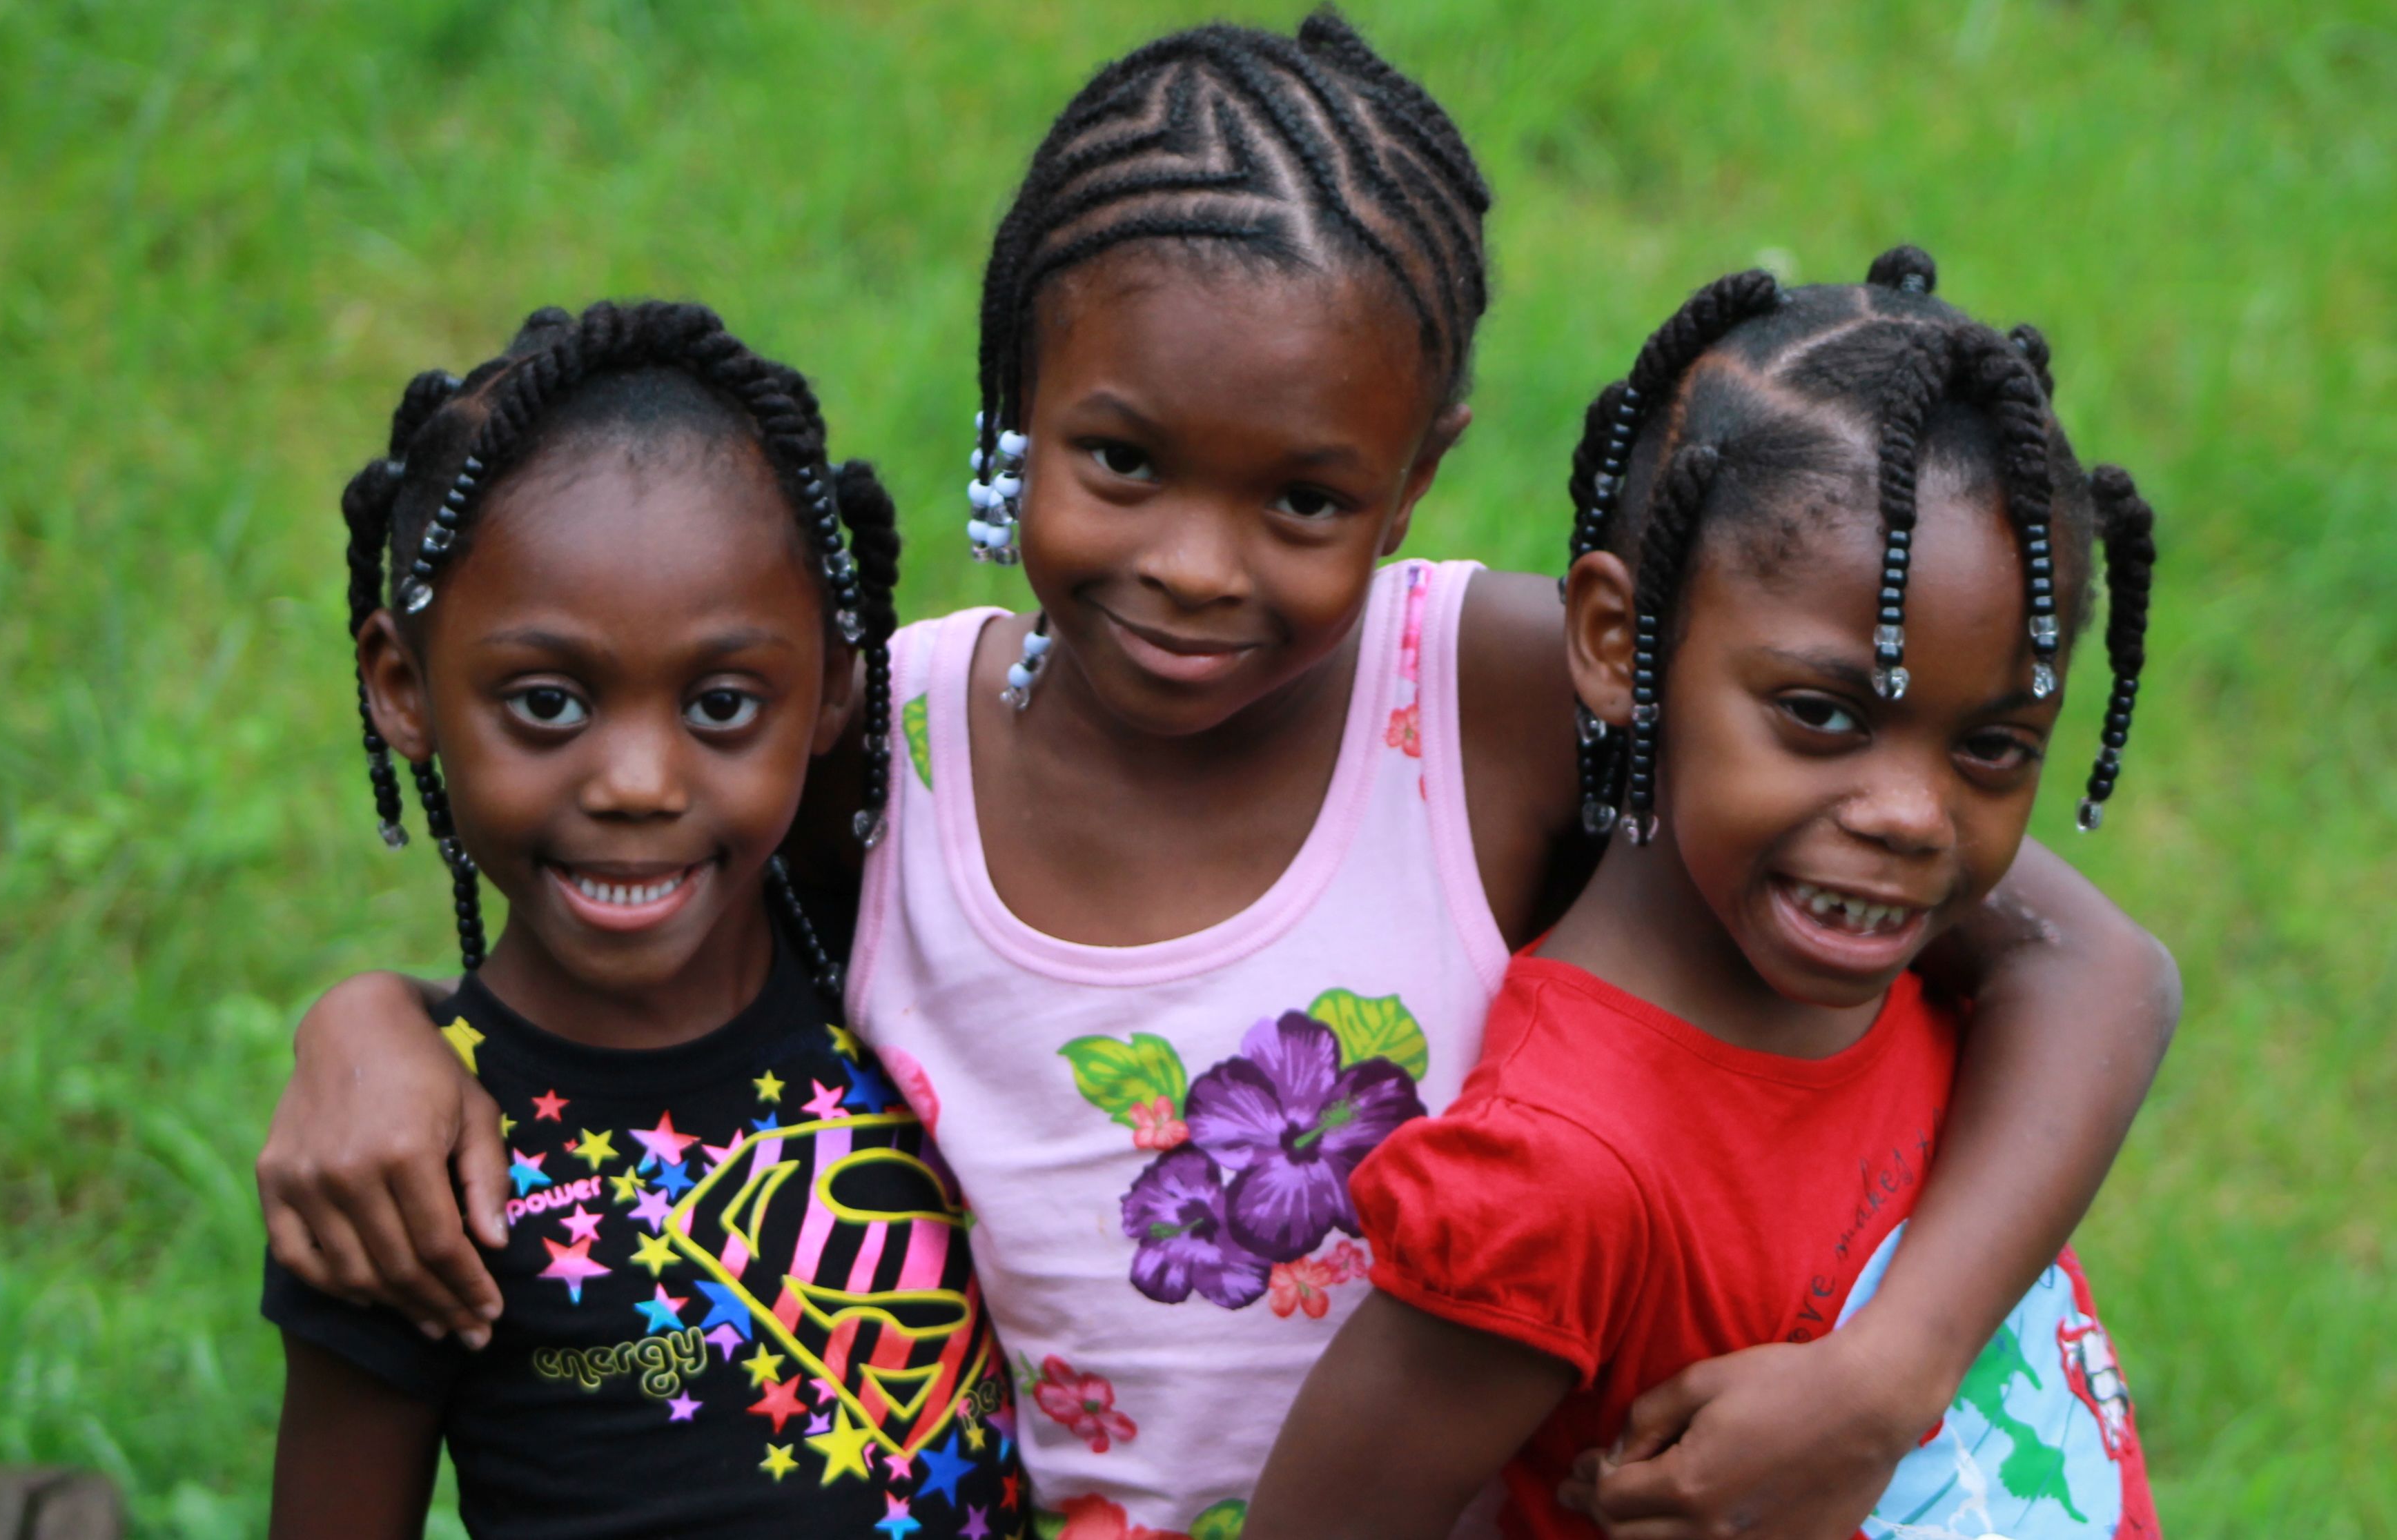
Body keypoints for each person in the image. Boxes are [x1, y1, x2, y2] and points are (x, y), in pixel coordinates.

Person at [255, 17, 2178, 1539]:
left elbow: (2081, 962)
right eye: (1123, 463)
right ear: (1013, 407)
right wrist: (379, 1028)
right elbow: (635, 940)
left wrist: (1895, 1371)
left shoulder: (1492, 695)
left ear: (1417, 474)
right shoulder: (887, 750)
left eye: (1305, 499)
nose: (1195, 565)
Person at [1242, 249, 2166, 1540]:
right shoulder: (1559, 1174)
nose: (1912, 816)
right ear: (1616, 643)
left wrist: (1886, 1376)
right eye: (1821, 714)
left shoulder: (1907, 967)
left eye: (1994, 747)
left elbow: (2116, 971)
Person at [265, 302, 1022, 1539]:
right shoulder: (406, 1166)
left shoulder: (912, 965)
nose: (636, 784)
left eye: (722, 704)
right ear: (403, 687)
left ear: (834, 684)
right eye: (547, 704)